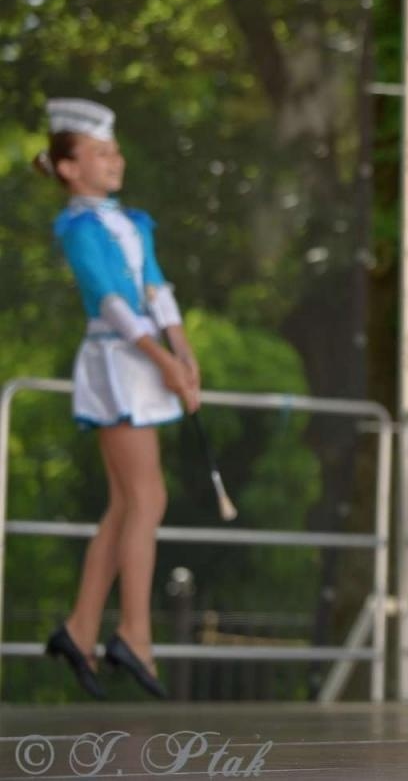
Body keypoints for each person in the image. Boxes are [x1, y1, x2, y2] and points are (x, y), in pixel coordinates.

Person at [35, 99, 201, 700]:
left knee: (125, 503)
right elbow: (110, 301)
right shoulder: (79, 228)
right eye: (100, 154)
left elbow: (156, 287)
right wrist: (164, 362)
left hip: (145, 363)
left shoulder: (131, 223)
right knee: (145, 497)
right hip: (117, 364)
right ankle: (133, 632)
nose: (115, 161)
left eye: (115, 151)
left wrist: (183, 354)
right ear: (68, 169)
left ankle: (81, 628)